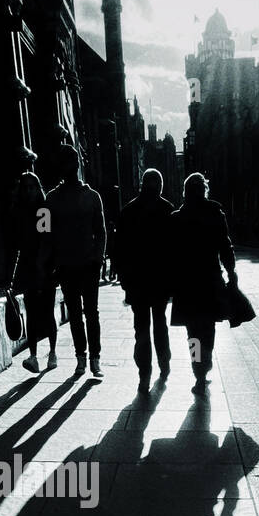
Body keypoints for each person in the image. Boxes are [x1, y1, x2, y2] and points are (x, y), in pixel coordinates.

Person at [169, 172, 236, 394]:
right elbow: (225, 245)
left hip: (186, 285)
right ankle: (204, 367)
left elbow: (170, 254)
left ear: (186, 192)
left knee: (193, 332)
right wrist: (231, 271)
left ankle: (197, 370)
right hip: (209, 281)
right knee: (208, 328)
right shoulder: (215, 213)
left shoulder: (177, 218)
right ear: (204, 190)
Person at [45, 144, 107, 380]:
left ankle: (95, 360)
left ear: (77, 165)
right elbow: (45, 232)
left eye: (71, 162)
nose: (68, 168)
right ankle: (81, 357)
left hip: (88, 265)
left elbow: (101, 231)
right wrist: (48, 262)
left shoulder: (92, 197)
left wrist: (98, 259)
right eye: (64, 163)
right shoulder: (51, 199)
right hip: (65, 265)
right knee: (75, 314)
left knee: (92, 313)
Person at [113, 168, 174, 394]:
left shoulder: (128, 211)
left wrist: (123, 279)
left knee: (141, 328)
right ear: (159, 185)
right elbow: (173, 250)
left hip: (137, 282)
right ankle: (164, 363)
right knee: (160, 324)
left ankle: (144, 374)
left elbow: (118, 249)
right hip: (159, 282)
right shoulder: (167, 209)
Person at [10, 171, 57, 374]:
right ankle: (33, 356)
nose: (29, 191)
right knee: (31, 312)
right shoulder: (19, 212)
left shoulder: (42, 211)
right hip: (28, 267)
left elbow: (45, 240)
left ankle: (53, 352)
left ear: (38, 189)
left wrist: (41, 266)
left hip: (45, 266)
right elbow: (16, 245)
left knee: (47, 311)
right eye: (25, 187)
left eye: (32, 187)